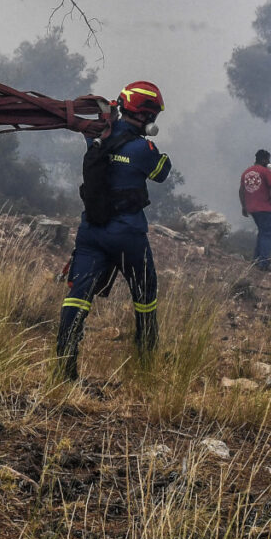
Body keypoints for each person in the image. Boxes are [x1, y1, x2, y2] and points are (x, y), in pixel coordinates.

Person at [55, 81, 172, 381]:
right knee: (145, 293)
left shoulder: (97, 136)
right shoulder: (143, 148)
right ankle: (146, 363)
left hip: (91, 231)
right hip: (128, 234)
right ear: (146, 116)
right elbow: (161, 173)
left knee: (78, 298)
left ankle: (65, 370)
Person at [239, 149, 271, 270]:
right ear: (264, 159)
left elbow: (241, 191)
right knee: (267, 234)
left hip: (252, 208)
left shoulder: (246, 172)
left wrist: (244, 207)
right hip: (264, 208)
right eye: (268, 159)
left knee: (262, 232)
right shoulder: (266, 172)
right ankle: (263, 263)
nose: (269, 162)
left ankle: (256, 260)